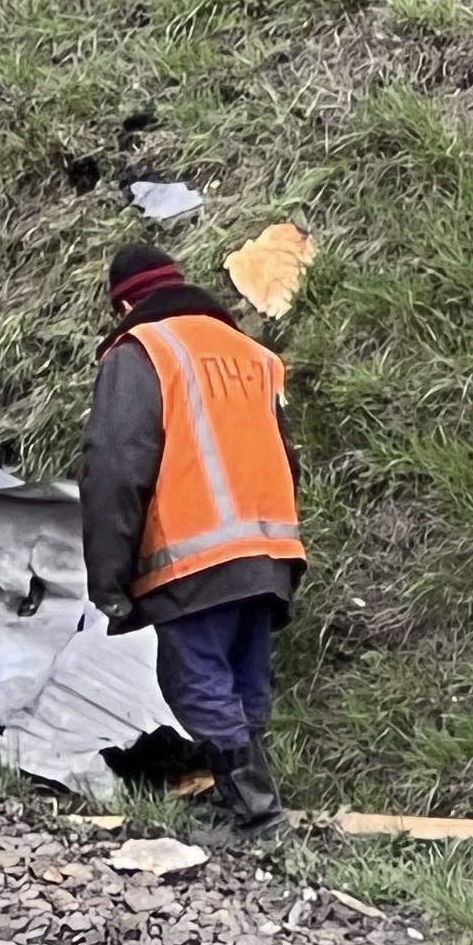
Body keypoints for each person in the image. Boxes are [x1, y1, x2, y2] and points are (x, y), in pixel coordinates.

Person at [81, 241, 305, 833]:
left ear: (126, 301)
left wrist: (108, 578)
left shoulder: (143, 353)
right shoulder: (252, 354)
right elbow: (288, 458)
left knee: (198, 679)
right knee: (245, 676)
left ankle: (259, 814)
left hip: (195, 556)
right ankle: (245, 795)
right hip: (269, 549)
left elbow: (113, 469)